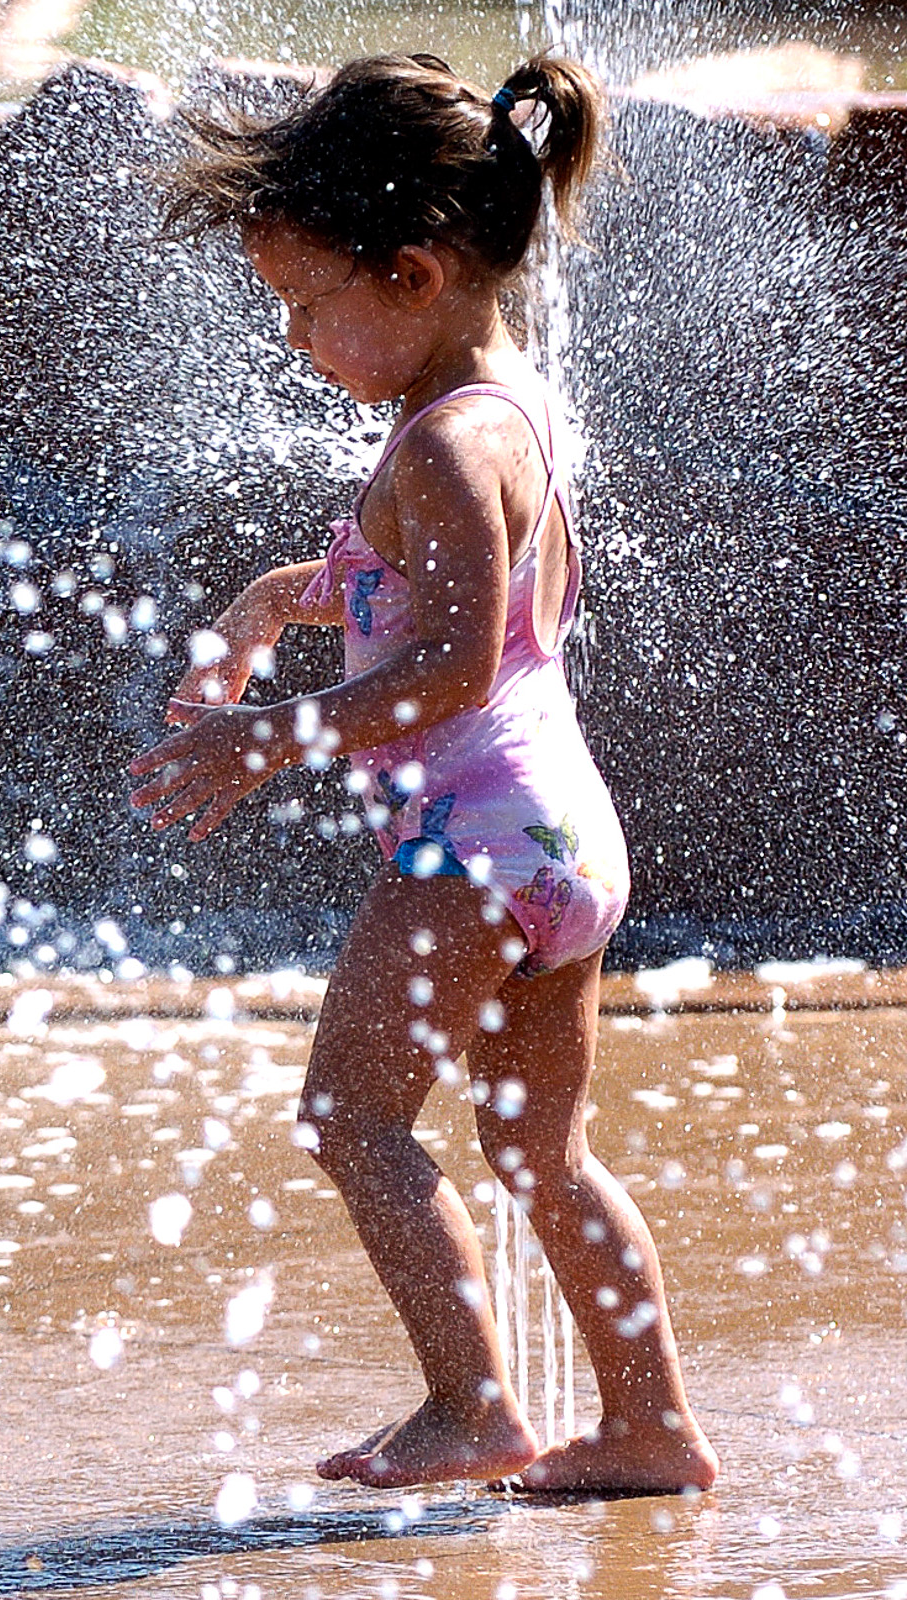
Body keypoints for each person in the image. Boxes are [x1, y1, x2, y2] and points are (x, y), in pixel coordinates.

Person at [128, 52, 719, 1495]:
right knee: (541, 1152)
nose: (293, 340)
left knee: (352, 1115)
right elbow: (432, 590)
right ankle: (650, 1427)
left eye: (306, 305)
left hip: (476, 838)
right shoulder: (496, 403)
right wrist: (277, 605)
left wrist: (264, 739)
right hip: (561, 836)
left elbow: (451, 666)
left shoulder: (447, 440)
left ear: (409, 275)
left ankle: (471, 1406)